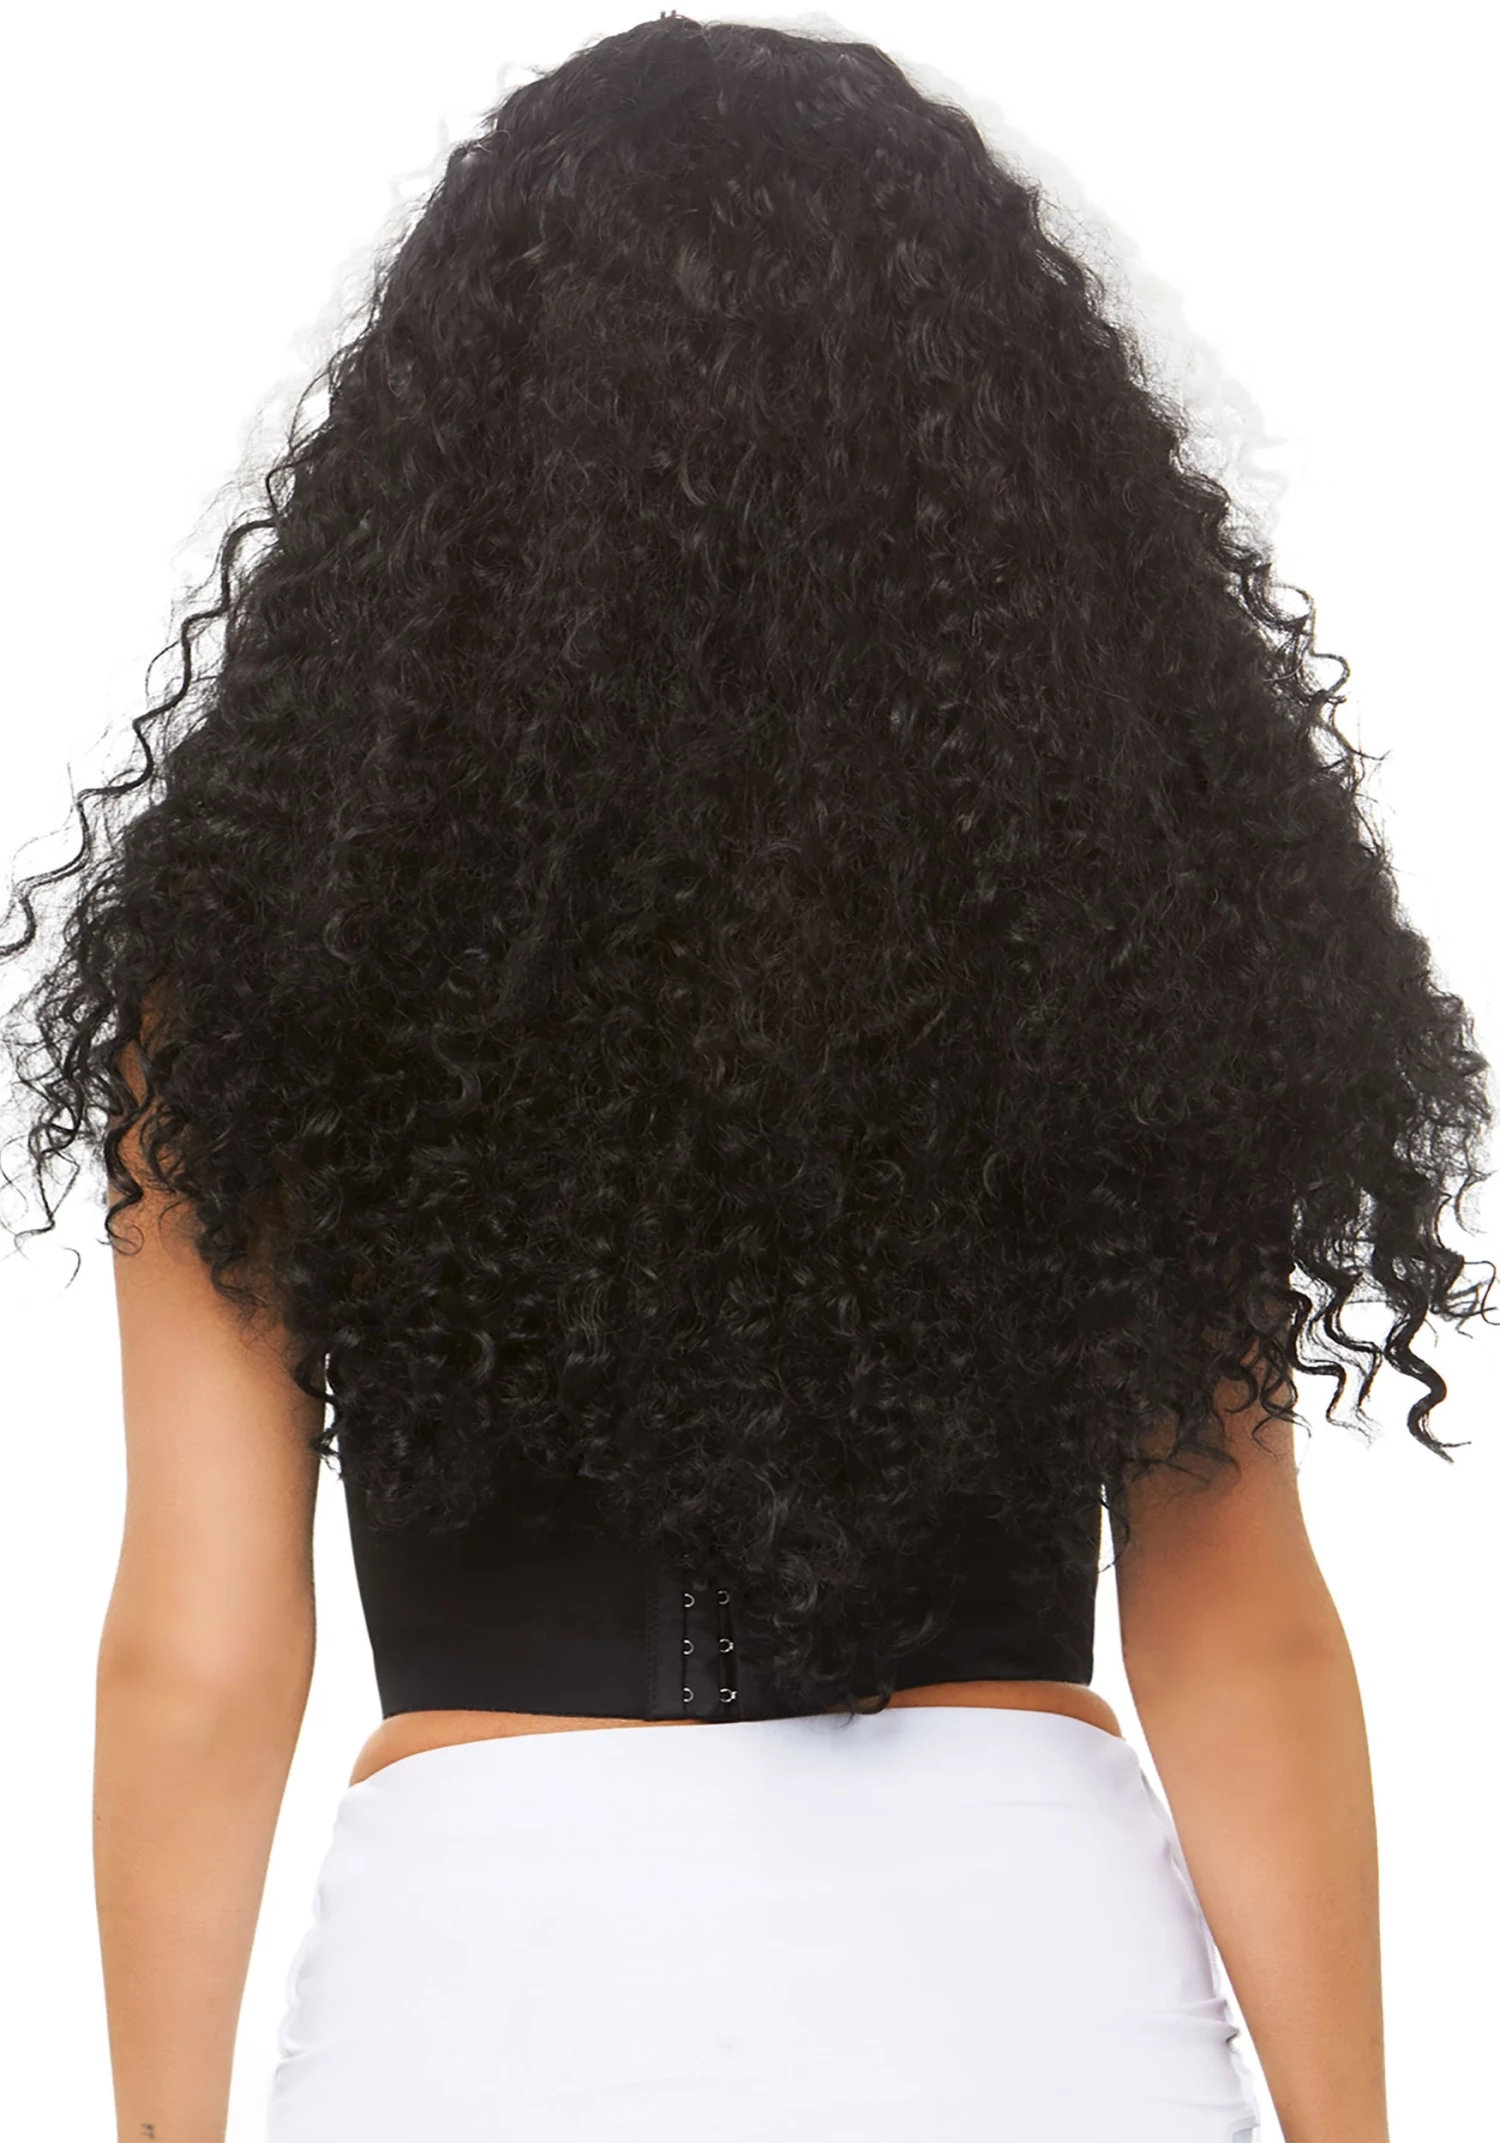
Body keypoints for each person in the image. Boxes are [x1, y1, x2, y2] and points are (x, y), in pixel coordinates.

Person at [1, 14, 1491, 2142]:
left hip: (482, 1989)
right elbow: (1234, 1623)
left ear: (463, 442)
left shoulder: (265, 954)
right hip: (1028, 1992)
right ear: (995, 453)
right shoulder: (1136, 931)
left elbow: (202, 1648)